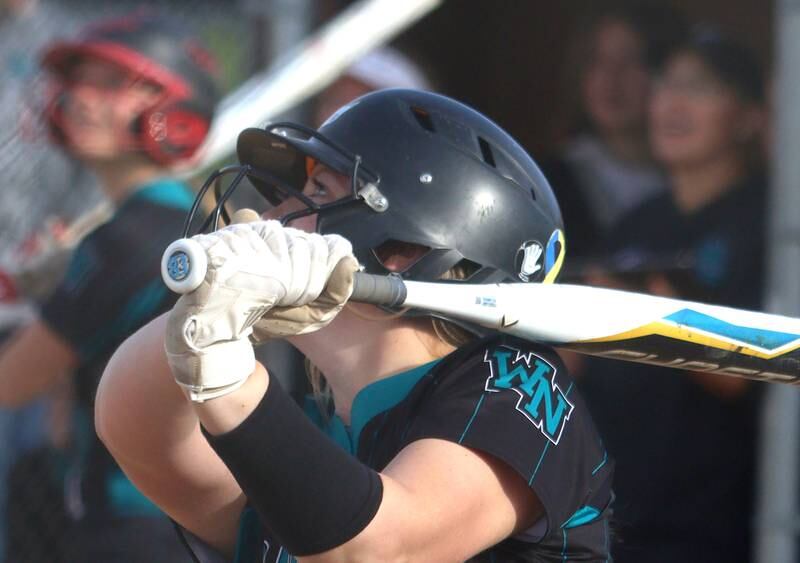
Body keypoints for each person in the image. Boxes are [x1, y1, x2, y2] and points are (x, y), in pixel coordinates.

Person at [95, 89, 614, 562]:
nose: (273, 216)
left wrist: (226, 376)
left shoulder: (512, 381)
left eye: (317, 190)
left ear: (404, 250)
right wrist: (207, 317)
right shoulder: (316, 432)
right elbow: (128, 422)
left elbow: (378, 549)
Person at [0, 13, 219, 562]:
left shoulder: (133, 236)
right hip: (173, 521)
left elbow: (9, 384)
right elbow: (58, 421)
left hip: (141, 525)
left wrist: (41, 306)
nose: (81, 98)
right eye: (80, 80)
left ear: (179, 111)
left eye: (112, 84)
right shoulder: (171, 220)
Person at [577, 28, 768, 562]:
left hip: (716, 533)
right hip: (614, 525)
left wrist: (644, 310)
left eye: (700, 88)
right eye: (665, 85)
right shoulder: (636, 223)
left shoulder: (773, 225)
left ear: (751, 118)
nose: (673, 103)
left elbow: (744, 374)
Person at [545, 1, 686, 262]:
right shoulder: (551, 183)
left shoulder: (694, 182)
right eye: (597, 60)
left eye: (631, 61)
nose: (610, 78)